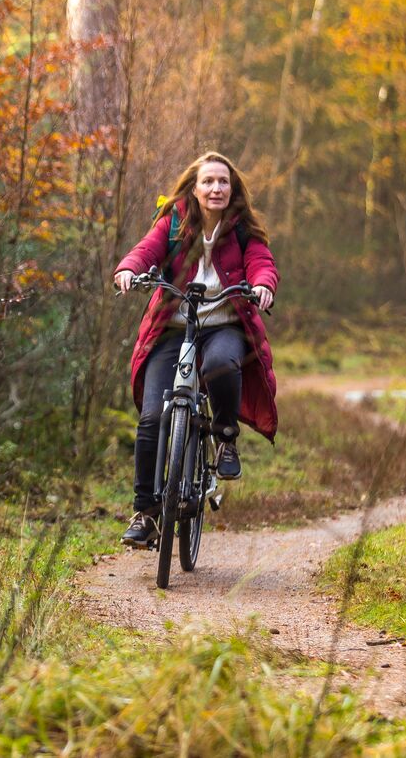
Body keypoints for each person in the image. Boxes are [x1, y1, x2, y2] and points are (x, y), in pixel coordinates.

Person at [111, 151, 279, 548]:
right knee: (152, 418)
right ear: (195, 187)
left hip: (224, 326)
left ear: (231, 188)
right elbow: (146, 250)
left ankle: (224, 438)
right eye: (208, 181)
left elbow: (261, 262)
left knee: (221, 364)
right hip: (173, 329)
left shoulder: (242, 230)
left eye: (223, 181)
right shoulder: (173, 223)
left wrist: (264, 285)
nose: (216, 188)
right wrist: (128, 269)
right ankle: (146, 512)